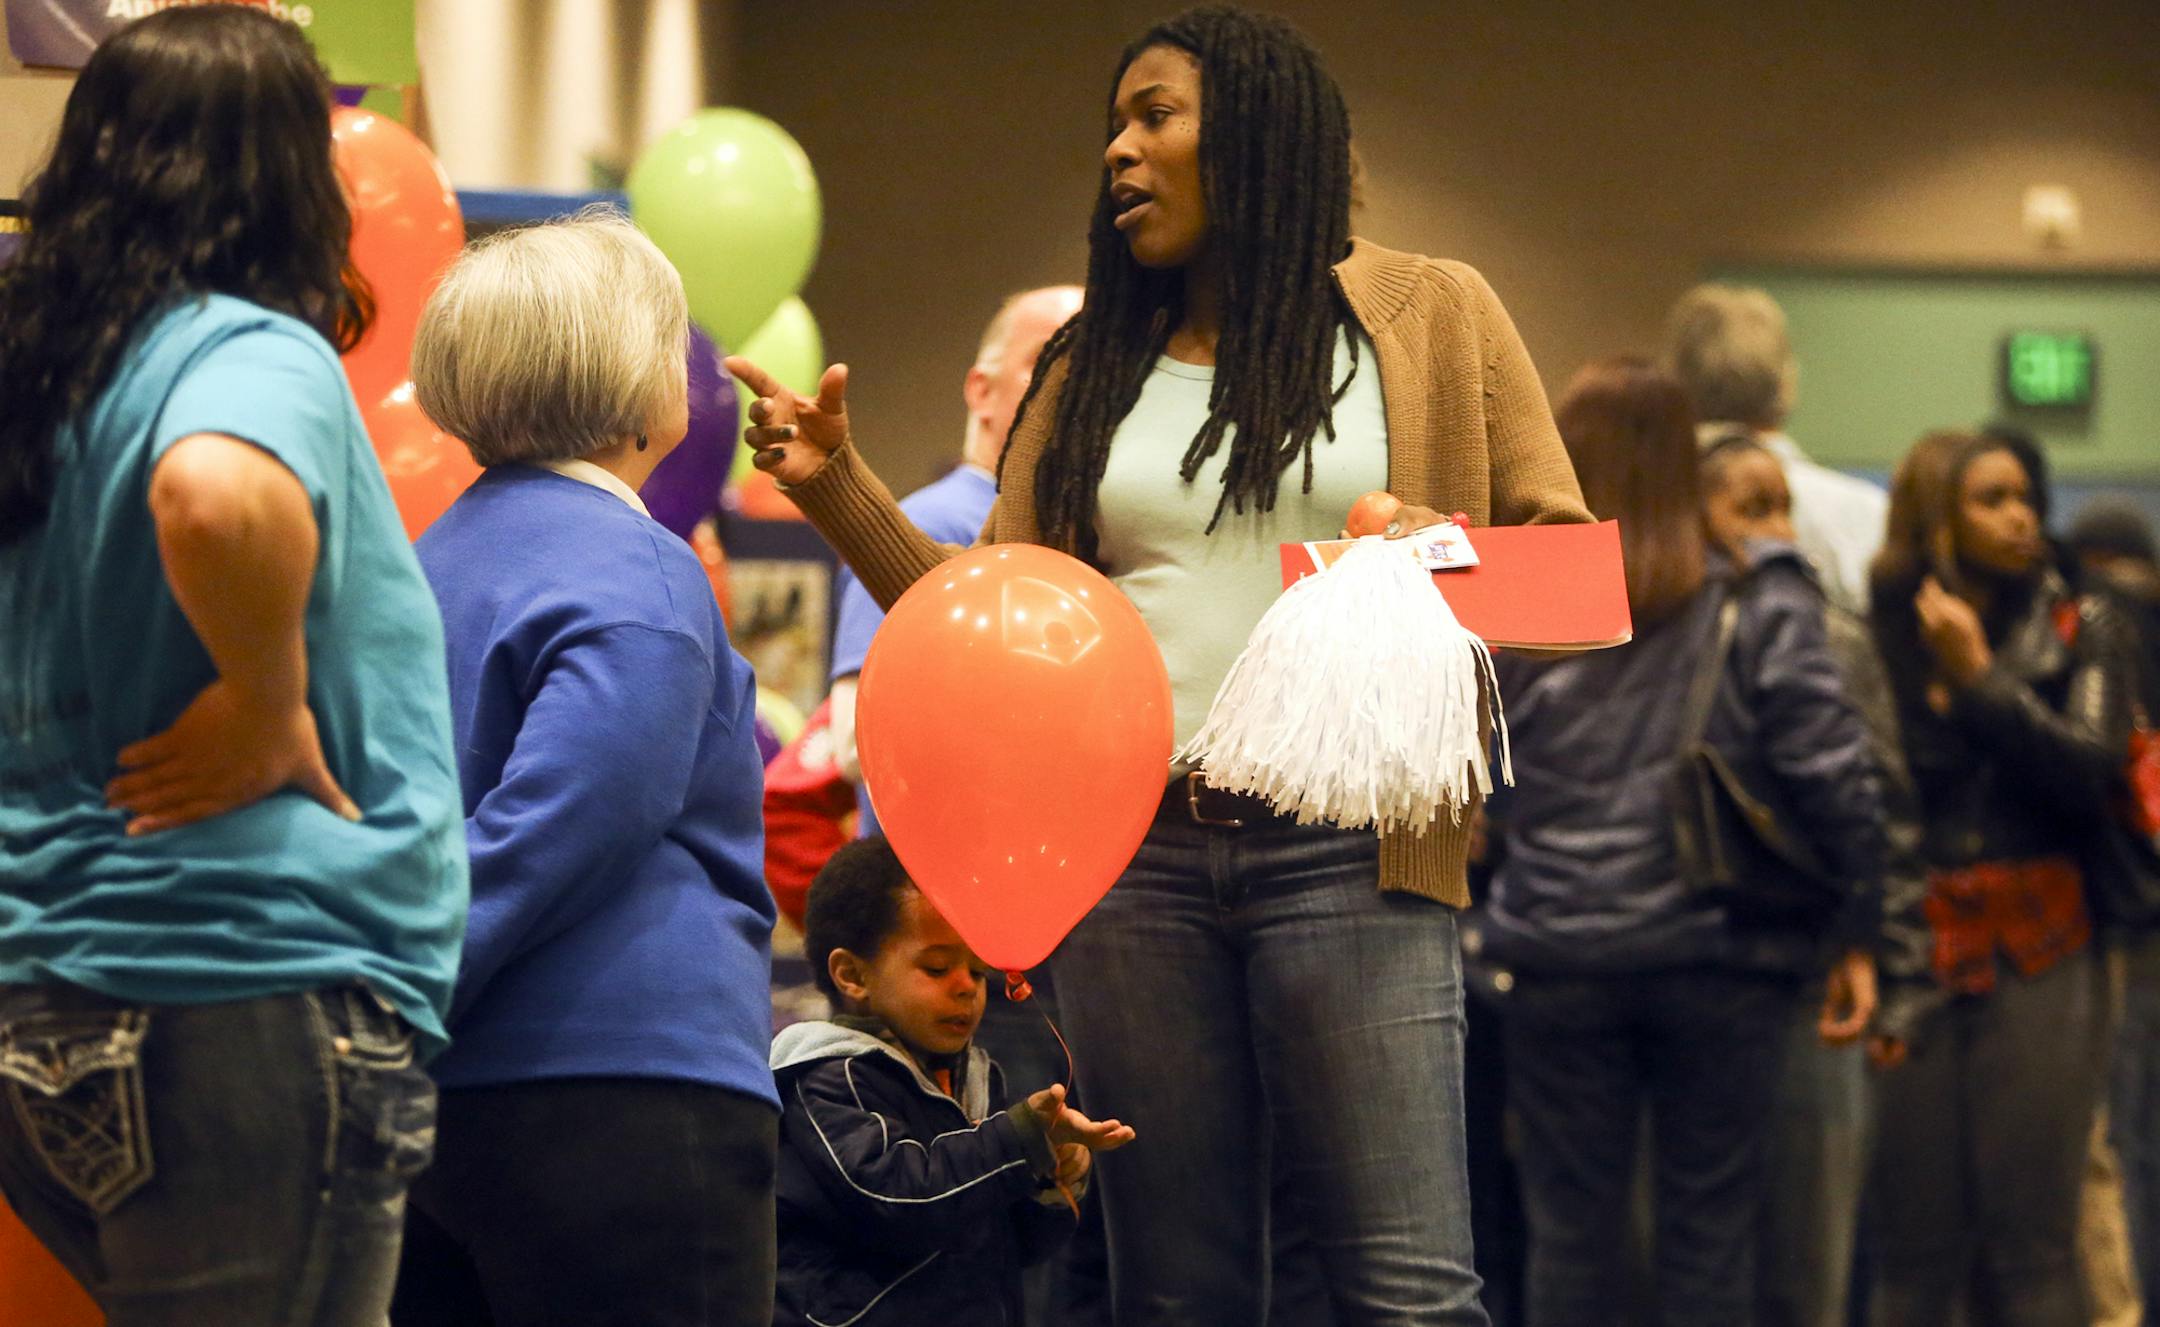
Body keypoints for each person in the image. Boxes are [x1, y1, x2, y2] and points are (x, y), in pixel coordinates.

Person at [731, 7, 1591, 1321]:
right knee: (1174, 1295)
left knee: (1407, 1289)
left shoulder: (1433, 314)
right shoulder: (1092, 365)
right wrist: (837, 486)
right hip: (1135, 866)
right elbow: (993, 631)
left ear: (1256, 129)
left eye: (1153, 116)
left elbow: (1575, 575)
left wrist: (1440, 551)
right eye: (1112, 128)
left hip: (1353, 851)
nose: (1119, 154)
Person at [0, 8, 466, 1323]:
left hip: (46, 996)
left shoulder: (45, 394)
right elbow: (212, 492)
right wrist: (266, 701)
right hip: (237, 984)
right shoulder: (250, 347)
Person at [387, 213, 779, 1327]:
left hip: (427, 1110)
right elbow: (585, 804)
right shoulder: (641, 568)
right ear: (641, 375)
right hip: (631, 1093)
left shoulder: (418, 563)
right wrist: (423, 970)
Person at [1477, 358, 1886, 1327]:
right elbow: (1833, 771)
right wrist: (1859, 927)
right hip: (1720, 954)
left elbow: (1466, 770)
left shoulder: (1516, 599)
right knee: (1711, 1234)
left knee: (1570, 1238)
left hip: (1554, 956)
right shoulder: (1757, 593)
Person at [1864, 431, 2135, 1327]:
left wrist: (1978, 677)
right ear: (1942, 517)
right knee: (1913, 1250)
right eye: (1991, 498)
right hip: (1921, 937)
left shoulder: (2081, 618)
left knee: (2034, 1248)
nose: (2021, 515)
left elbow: (2089, 767)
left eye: (2026, 494)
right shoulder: (1887, 628)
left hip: (2043, 939)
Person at [1698, 430, 1934, 1327]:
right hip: (1697, 967)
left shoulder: (1836, 636)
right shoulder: (1663, 638)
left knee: (1811, 1263)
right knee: (1694, 1257)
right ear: (1698, 524)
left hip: (1811, 971)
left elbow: (1890, 814)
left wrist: (1884, 961)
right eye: (1750, 509)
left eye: (1783, 507)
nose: (1778, 530)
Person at [773, 836, 1135, 1326]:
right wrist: (1015, 1140)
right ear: (852, 974)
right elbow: (896, 1198)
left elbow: (1013, 1245)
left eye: (979, 971)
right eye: (938, 967)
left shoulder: (978, 1078)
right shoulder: (830, 1076)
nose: (966, 986)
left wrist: (1051, 1180)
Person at [826, 284, 1084, 839]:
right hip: (937, 881)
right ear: (981, 390)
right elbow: (854, 739)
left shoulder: (1085, 531)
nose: (1073, 380)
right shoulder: (928, 524)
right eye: (1049, 361)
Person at [1664, 283, 1888, 617]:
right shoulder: (1863, 512)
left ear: (1673, 381)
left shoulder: (1636, 507)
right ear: (1788, 381)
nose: (1781, 532)